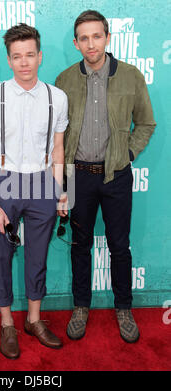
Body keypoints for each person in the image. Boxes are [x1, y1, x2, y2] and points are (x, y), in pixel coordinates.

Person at [55, 10, 156, 343]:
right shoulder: (65, 80)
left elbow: (146, 124)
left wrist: (127, 153)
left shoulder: (130, 76)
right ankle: (81, 306)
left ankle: (123, 307)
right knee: (79, 245)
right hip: (79, 176)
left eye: (96, 36)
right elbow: (57, 132)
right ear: (76, 43)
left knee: (119, 246)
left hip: (116, 177)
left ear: (108, 38)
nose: (90, 43)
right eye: (83, 38)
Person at [0, 23, 68, 359]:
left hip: (43, 180)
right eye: (17, 56)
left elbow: (58, 149)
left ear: (40, 56)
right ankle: (6, 324)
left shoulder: (57, 98)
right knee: (0, 256)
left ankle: (33, 319)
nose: (24, 62)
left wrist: (60, 189)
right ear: (9, 60)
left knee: (38, 255)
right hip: (4, 181)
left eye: (30, 55)